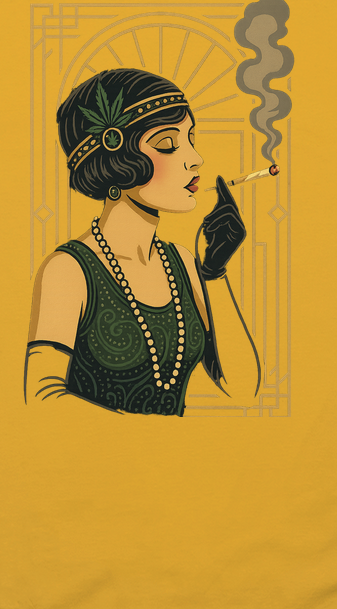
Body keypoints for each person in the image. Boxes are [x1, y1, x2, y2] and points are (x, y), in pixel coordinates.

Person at [24, 67, 257, 416]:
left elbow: (243, 390)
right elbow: (42, 398)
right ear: (118, 160)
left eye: (191, 139)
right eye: (168, 144)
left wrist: (213, 271)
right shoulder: (68, 270)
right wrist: (153, 437)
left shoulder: (182, 262)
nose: (196, 159)